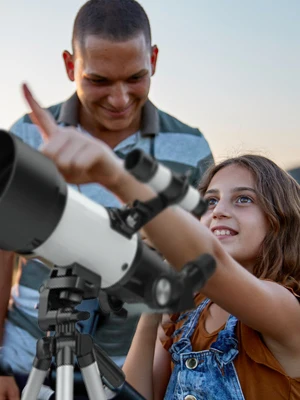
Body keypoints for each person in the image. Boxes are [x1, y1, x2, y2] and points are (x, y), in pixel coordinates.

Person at [15, 85, 300, 399]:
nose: (219, 211)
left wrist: (114, 175)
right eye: (211, 201)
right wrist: (156, 307)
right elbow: (140, 394)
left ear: (279, 220)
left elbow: (213, 263)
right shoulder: (186, 318)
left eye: (243, 199)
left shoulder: (286, 309)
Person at [0, 0, 214, 398]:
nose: (119, 100)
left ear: (153, 59)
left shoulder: (191, 148)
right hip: (24, 361)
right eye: (99, 80)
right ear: (70, 65)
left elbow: (206, 261)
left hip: (132, 373)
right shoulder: (25, 138)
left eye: (135, 77)